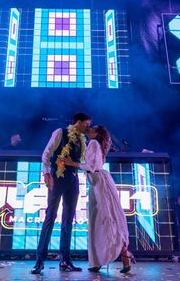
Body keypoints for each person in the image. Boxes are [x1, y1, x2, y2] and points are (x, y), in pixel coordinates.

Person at [63, 125, 134, 274]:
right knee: (99, 222)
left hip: (100, 183)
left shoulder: (94, 143)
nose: (89, 129)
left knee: (107, 221)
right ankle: (100, 260)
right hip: (97, 183)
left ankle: (121, 255)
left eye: (93, 128)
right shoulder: (93, 144)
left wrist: (71, 163)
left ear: (97, 133)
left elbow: (91, 166)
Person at [30, 112, 92, 274]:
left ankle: (65, 260)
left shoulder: (82, 140)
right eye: (86, 123)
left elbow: (83, 162)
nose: (88, 126)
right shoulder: (60, 132)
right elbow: (47, 153)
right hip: (57, 177)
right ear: (78, 122)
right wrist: (46, 173)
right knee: (50, 217)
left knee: (68, 220)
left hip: (73, 179)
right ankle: (39, 261)